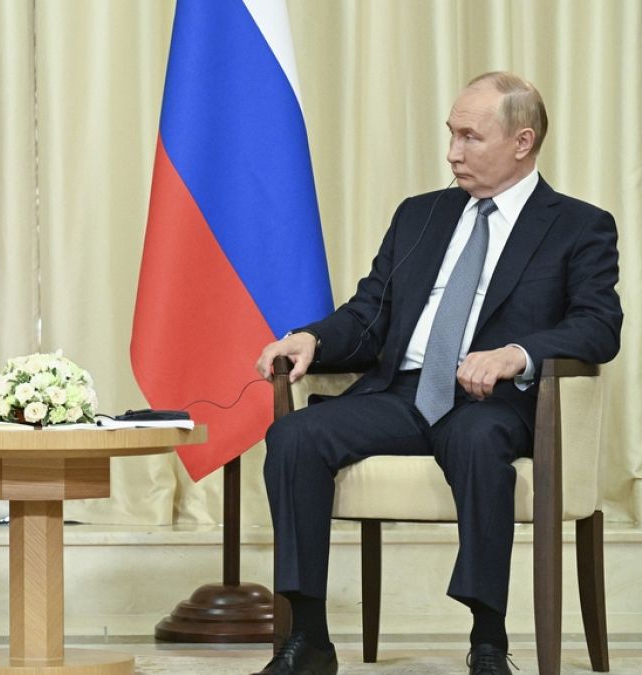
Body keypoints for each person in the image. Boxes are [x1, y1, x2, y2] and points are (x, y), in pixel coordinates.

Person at [253, 71, 622, 675]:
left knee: (476, 441)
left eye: (470, 138)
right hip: (404, 394)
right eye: (451, 135)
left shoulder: (578, 225)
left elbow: (598, 325)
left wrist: (517, 354)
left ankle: (487, 639)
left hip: (493, 404)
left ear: (522, 142)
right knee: (295, 436)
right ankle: (310, 637)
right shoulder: (420, 215)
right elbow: (370, 313)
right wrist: (310, 338)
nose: (453, 152)